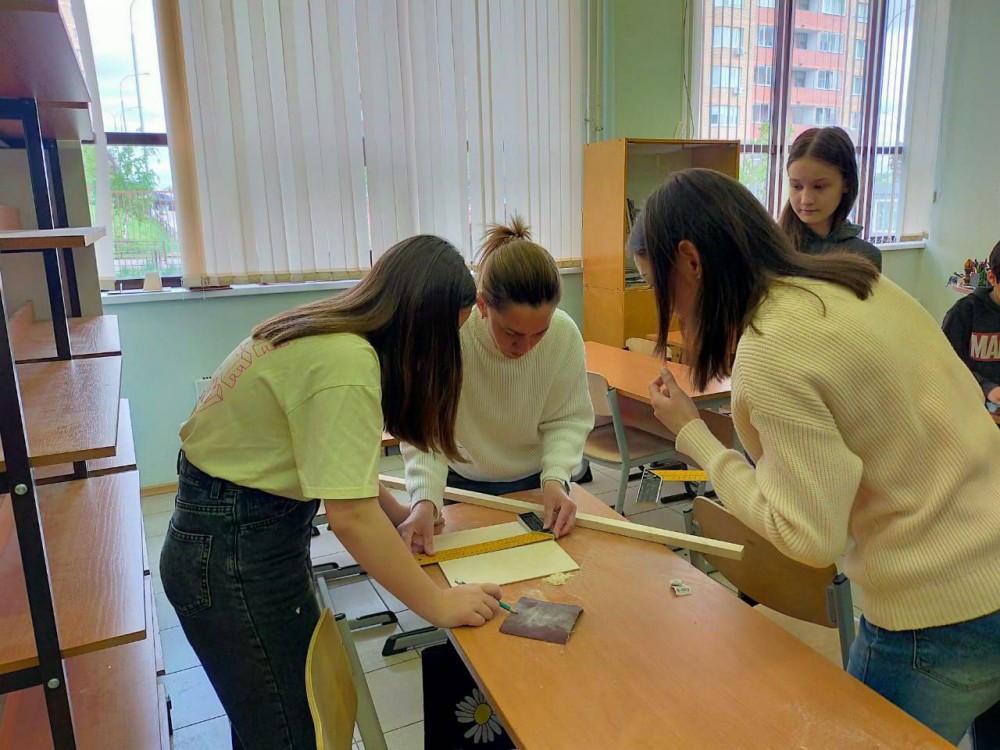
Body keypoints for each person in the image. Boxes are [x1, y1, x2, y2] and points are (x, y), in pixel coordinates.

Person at [634, 167, 1000, 745]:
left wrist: (695, 435)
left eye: (658, 288)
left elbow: (807, 536)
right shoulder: (856, 282)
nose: (671, 311)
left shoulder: (772, 347)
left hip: (935, 609)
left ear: (691, 261)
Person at [159, 236, 502, 750]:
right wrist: (437, 603)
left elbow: (337, 469)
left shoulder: (332, 332)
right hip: (231, 550)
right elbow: (350, 519)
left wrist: (400, 514)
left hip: (232, 532)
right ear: (418, 327)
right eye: (443, 338)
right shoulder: (347, 365)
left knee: (272, 718)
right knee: (289, 731)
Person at [399, 217, 593, 552]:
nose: (525, 347)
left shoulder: (564, 334)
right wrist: (424, 500)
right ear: (483, 305)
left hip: (536, 484)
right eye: (512, 333)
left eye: (540, 333)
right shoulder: (452, 336)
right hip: (459, 484)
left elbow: (566, 419)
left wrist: (556, 479)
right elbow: (426, 433)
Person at [780, 126, 883, 271]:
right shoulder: (770, 247)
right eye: (797, 186)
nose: (806, 200)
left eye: (819, 187)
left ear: (846, 184)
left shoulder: (865, 256)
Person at [943, 240, 1000, 410]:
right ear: (992, 278)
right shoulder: (964, 313)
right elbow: (949, 366)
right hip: (973, 405)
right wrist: (987, 388)